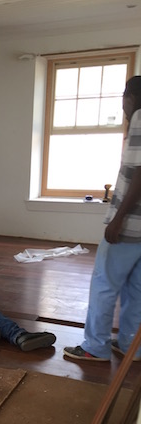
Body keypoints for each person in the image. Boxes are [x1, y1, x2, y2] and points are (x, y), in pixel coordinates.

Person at [64, 76, 141, 362]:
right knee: (137, 289)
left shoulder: (140, 119)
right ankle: (131, 346)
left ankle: (95, 347)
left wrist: (118, 219)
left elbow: (139, 173)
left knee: (104, 286)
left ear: (129, 96)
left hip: (130, 227)